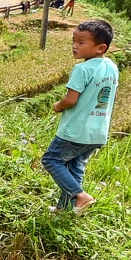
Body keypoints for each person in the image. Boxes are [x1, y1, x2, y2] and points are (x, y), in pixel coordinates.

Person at [40, 19, 119, 213]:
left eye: (81, 42)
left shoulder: (82, 69)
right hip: (97, 132)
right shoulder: (111, 67)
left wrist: (58, 106)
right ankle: (64, 209)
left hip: (75, 130)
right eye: (74, 41)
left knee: (51, 160)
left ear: (101, 47)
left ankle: (80, 196)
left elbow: (71, 100)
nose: (75, 46)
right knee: (75, 167)